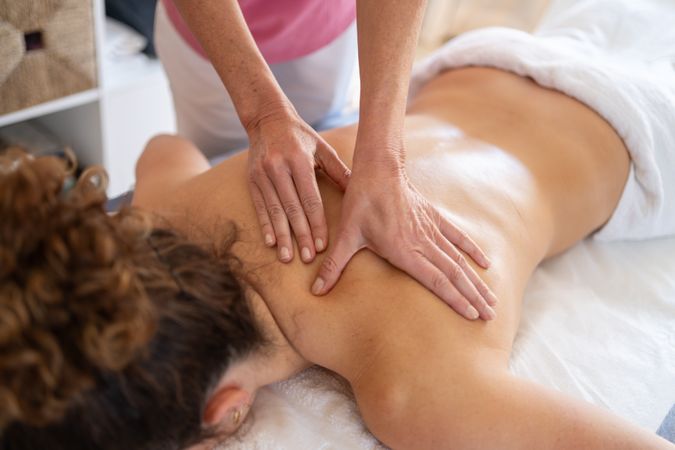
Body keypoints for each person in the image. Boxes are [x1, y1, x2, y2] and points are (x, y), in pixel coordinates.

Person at [2, 0, 675, 448]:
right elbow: (161, 150)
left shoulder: (409, 388)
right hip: (487, 63)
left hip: (642, 135)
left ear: (225, 412)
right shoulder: (175, 204)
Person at [156, 0, 496, 316]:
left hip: (325, 26)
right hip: (213, 30)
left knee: (328, 125)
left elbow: (162, 150)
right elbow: (167, 152)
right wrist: (263, 114)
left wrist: (384, 159)